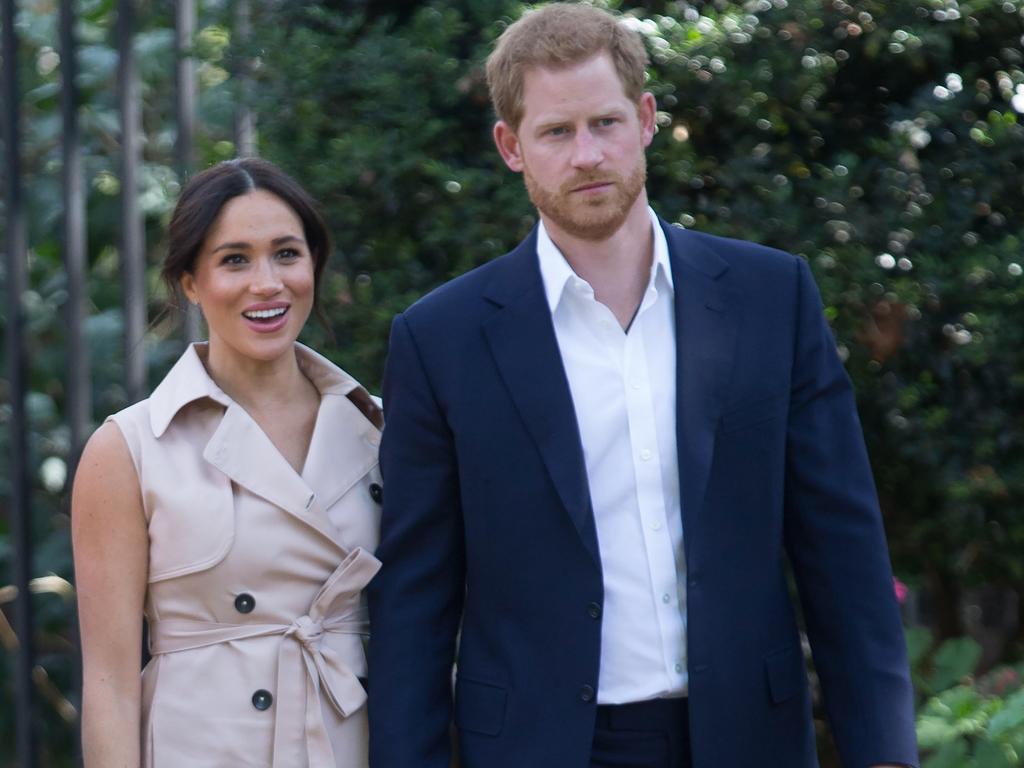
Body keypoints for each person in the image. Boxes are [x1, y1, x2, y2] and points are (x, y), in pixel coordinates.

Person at [367, 4, 918, 768]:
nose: (587, 154)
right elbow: (415, 600)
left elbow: (843, 546)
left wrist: (883, 751)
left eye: (606, 123)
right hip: (539, 746)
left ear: (647, 119)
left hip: (746, 738)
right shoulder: (441, 339)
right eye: (556, 132)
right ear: (511, 146)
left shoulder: (770, 297)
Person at [72, 158, 383, 768]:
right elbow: (108, 686)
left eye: (287, 254)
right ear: (190, 280)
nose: (266, 283)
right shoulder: (129, 448)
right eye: (234, 259)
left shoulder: (382, 430)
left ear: (313, 264)